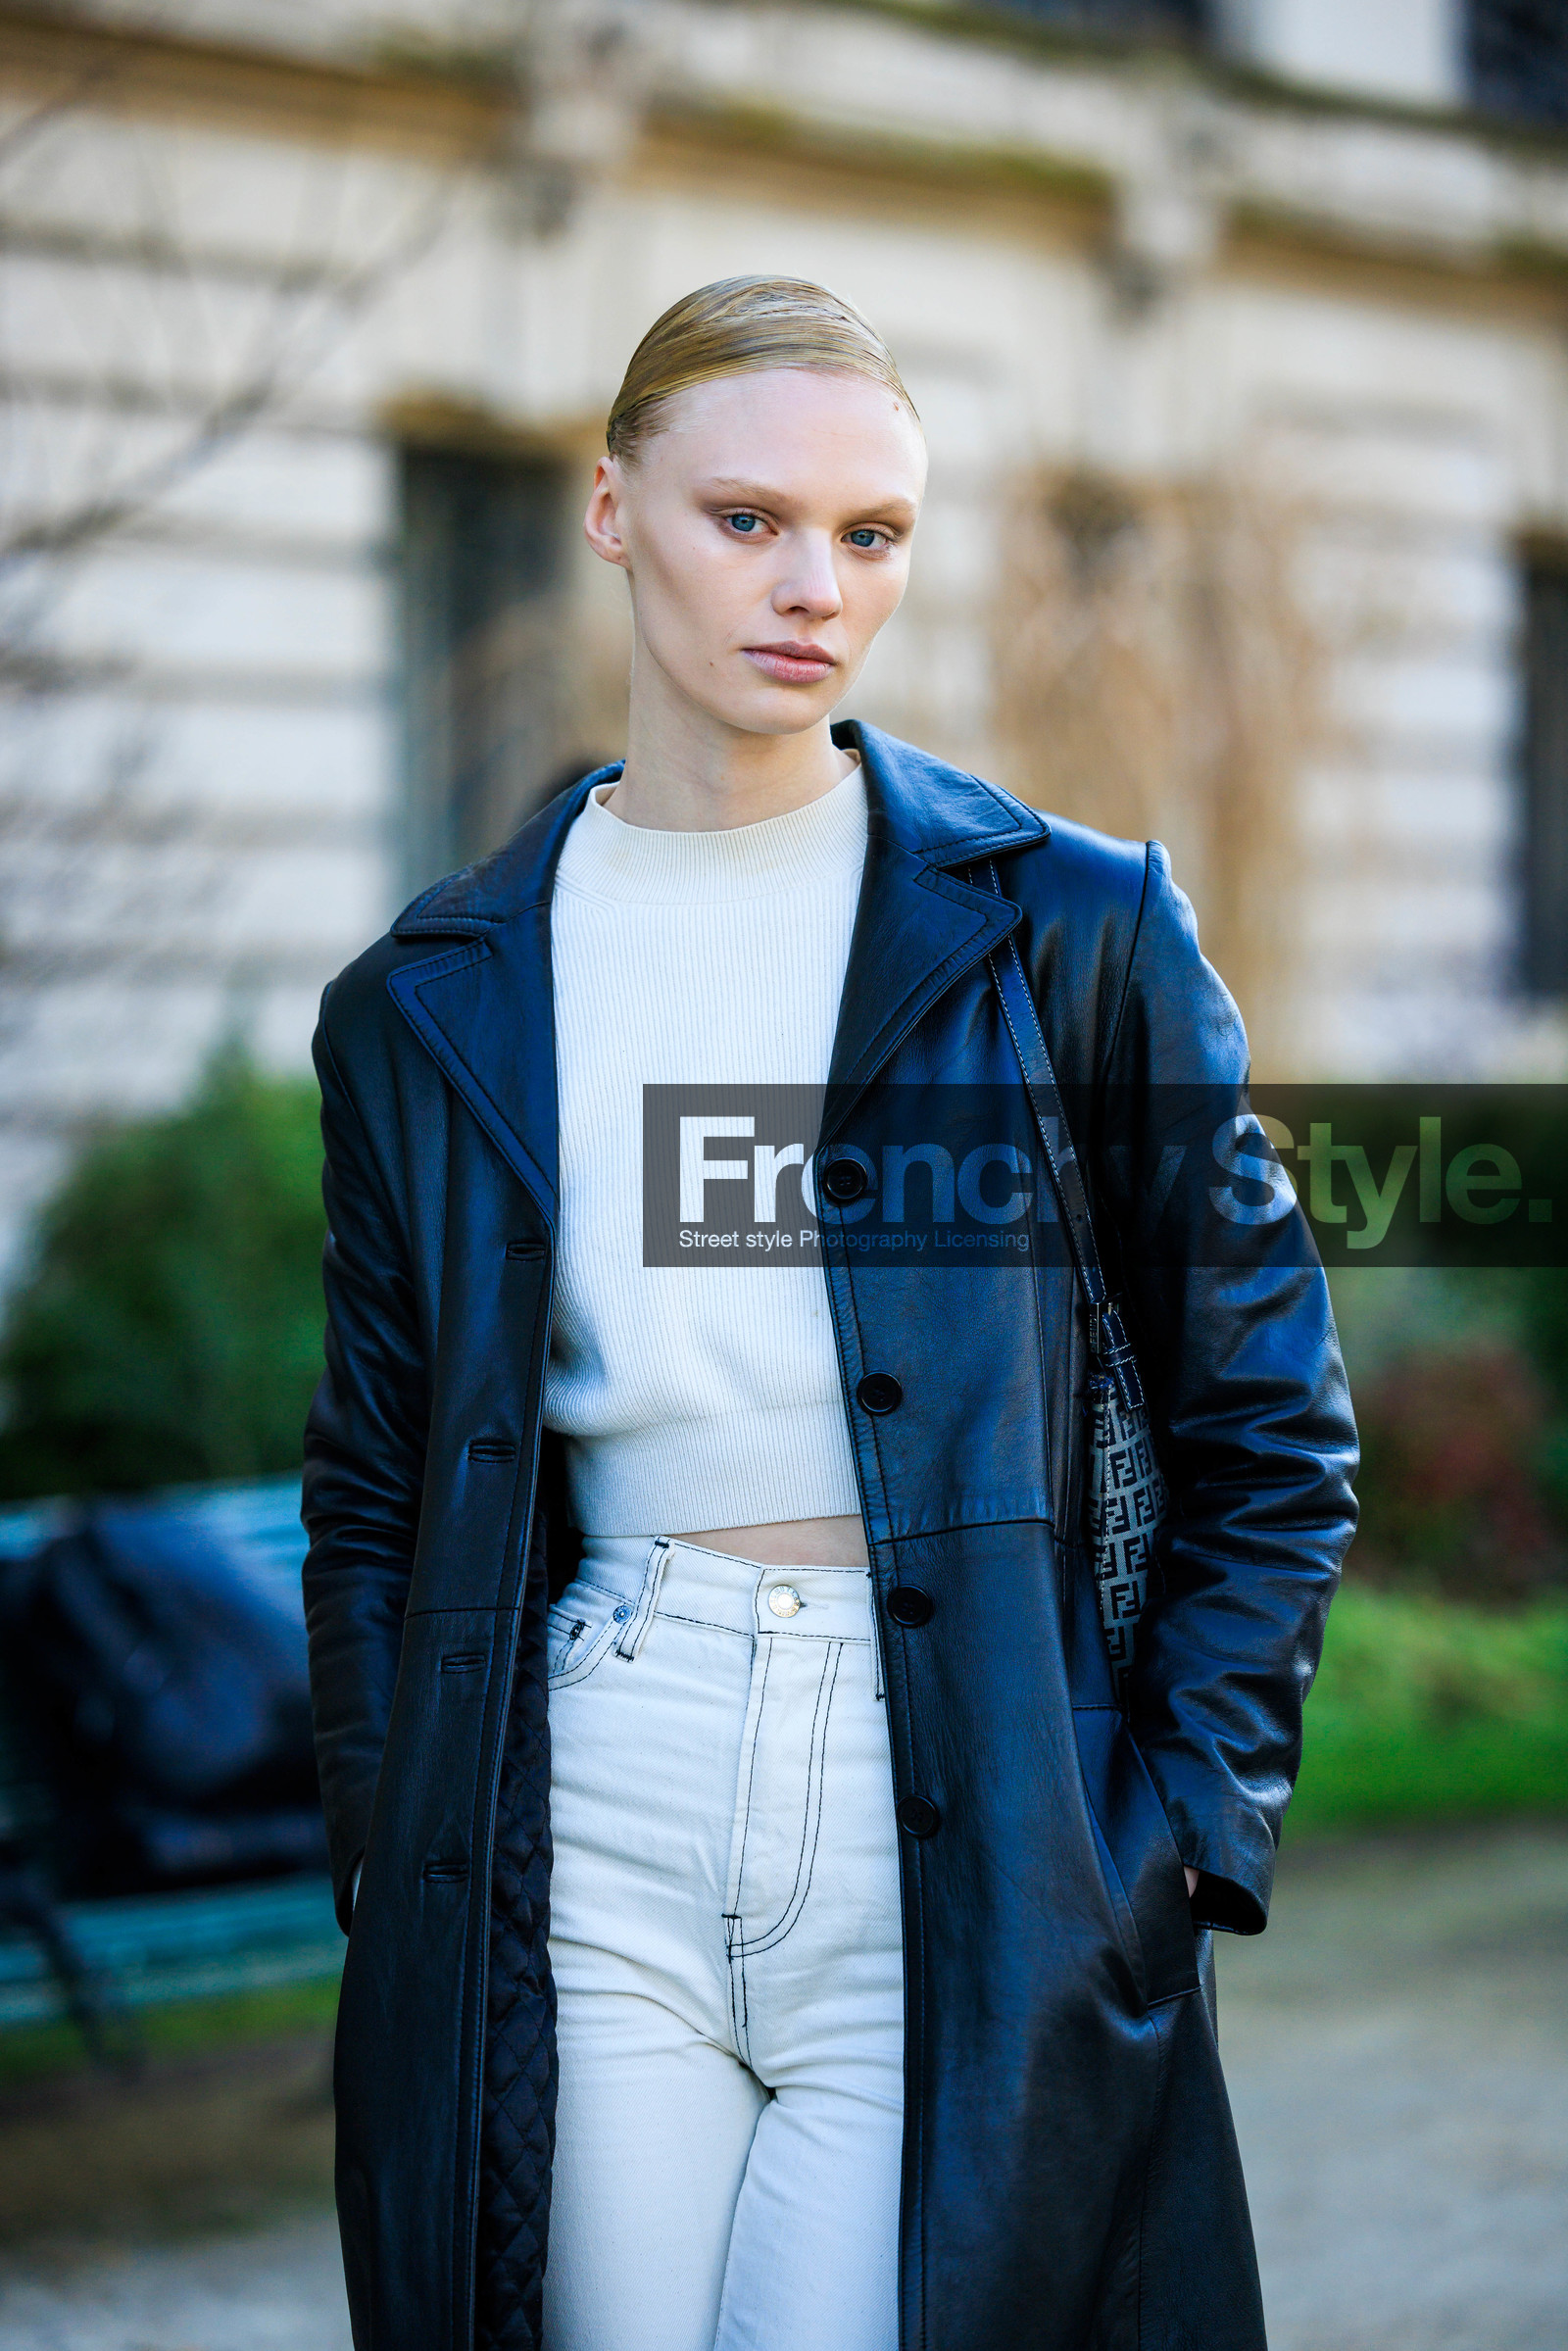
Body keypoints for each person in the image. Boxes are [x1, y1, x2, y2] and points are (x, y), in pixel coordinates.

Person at [303, 276, 1358, 2351]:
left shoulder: (1067, 931)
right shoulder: (421, 1008)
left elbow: (1269, 1428)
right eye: (747, 520)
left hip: (957, 1811)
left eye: (868, 536)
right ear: (613, 510)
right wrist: (390, 1839)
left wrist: (1169, 1842)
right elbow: (368, 1480)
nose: (813, 588)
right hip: (589, 1788)